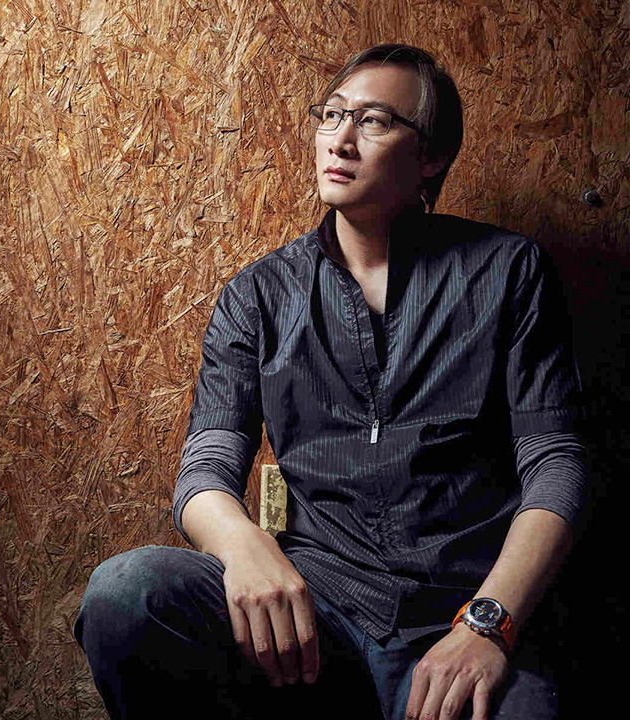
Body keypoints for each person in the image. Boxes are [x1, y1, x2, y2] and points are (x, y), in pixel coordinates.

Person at [74, 44, 587, 720]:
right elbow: (204, 470)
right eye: (333, 115)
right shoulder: (258, 296)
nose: (340, 139)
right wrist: (245, 547)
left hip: (456, 619)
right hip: (313, 621)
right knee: (127, 592)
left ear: (431, 157)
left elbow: (557, 463)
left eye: (374, 121)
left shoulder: (508, 272)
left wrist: (489, 624)